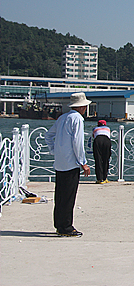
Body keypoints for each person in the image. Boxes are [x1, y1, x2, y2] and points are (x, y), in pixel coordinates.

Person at [45, 92, 92, 237]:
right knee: (69, 197)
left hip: (60, 163)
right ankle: (66, 227)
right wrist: (83, 162)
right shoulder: (77, 119)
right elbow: (77, 143)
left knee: (60, 196)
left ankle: (59, 224)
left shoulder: (62, 117)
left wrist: (54, 150)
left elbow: (48, 135)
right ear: (82, 107)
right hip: (71, 163)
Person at [92, 120, 111, 184]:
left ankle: (99, 179)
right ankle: (105, 178)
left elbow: (94, 136)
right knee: (106, 159)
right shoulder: (108, 128)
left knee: (98, 159)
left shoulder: (95, 129)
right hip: (107, 140)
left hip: (98, 140)